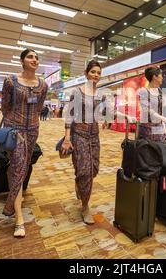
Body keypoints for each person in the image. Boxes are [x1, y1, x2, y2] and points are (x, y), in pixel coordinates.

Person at [1, 48, 48, 237]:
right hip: (15, 130)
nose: (34, 60)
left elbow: (39, 107)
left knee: (23, 166)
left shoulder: (43, 85)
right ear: (22, 61)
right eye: (30, 57)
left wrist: (32, 123)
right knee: (19, 166)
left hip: (33, 130)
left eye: (37, 57)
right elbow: (5, 106)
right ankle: (18, 218)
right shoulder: (10, 81)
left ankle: (12, 200)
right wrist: (12, 125)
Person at [61, 60, 105, 225]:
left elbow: (104, 113)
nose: (96, 75)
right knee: (85, 172)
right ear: (86, 73)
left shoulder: (100, 94)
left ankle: (79, 182)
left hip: (94, 136)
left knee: (93, 169)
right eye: (93, 72)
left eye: (99, 73)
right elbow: (70, 115)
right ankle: (85, 207)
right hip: (78, 134)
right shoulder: (77, 92)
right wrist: (67, 138)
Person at [138, 66, 166, 141]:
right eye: (161, 75)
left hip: (159, 128)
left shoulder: (159, 90)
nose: (162, 77)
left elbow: (160, 110)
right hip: (147, 129)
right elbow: (148, 111)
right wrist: (165, 119)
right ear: (154, 77)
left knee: (159, 149)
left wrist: (163, 126)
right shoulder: (143, 91)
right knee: (149, 150)